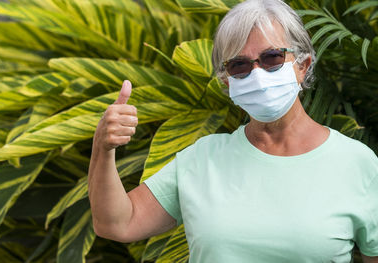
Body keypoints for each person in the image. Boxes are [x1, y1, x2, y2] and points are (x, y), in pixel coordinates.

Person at [88, 0, 378, 262]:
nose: (257, 74)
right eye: (239, 66)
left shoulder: (357, 163)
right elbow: (116, 223)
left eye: (272, 58)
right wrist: (103, 147)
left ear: (303, 65)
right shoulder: (202, 159)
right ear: (228, 82)